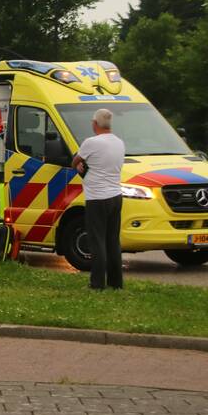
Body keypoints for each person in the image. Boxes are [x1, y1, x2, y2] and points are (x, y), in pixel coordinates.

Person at [72, 108, 126, 290]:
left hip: (97, 197)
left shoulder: (91, 142)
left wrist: (80, 166)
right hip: (116, 196)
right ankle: (116, 282)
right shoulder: (119, 142)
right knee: (112, 240)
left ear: (95, 124)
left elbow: (75, 161)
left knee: (97, 241)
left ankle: (97, 283)